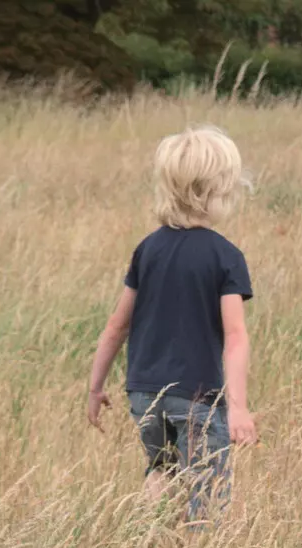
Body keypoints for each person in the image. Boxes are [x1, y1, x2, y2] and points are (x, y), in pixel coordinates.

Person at [86, 125, 258, 525]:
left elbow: (116, 326)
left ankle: (141, 545)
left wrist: (95, 388)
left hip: (144, 394)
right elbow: (235, 337)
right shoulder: (225, 256)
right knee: (207, 490)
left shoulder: (148, 249)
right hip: (197, 396)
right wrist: (238, 408)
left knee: (162, 469)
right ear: (220, 189)